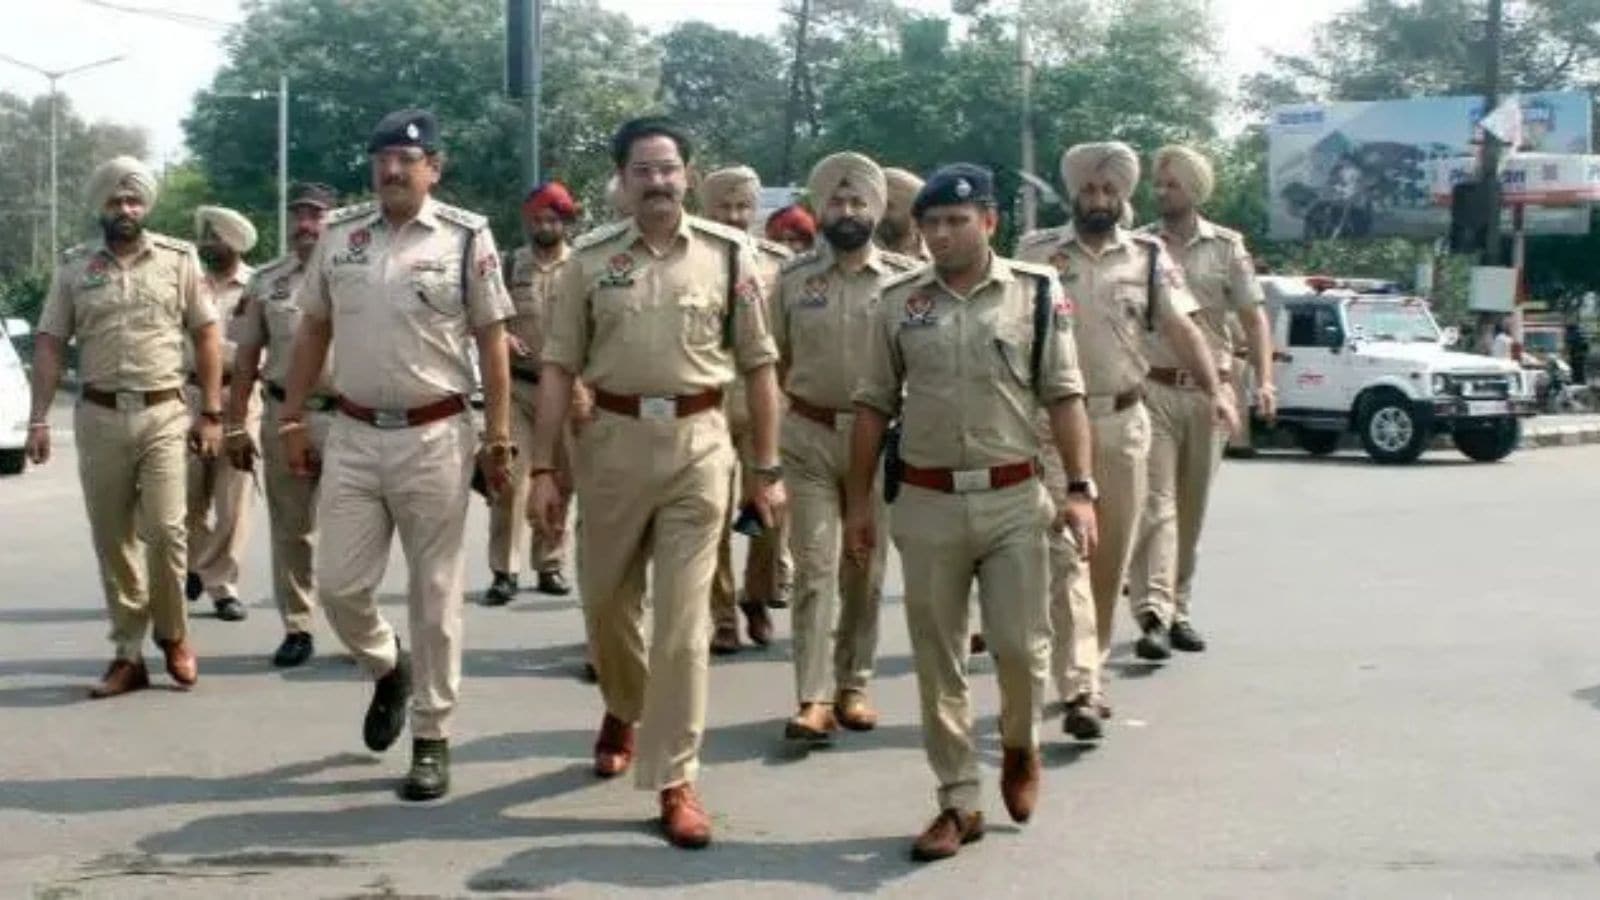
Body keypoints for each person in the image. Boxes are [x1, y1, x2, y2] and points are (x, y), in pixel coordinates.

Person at [527, 116, 787, 849]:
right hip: (611, 444)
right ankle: (623, 702)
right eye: (642, 170)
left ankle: (676, 775)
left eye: (669, 169)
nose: (658, 182)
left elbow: (760, 367)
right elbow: (558, 370)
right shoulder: (588, 262)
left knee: (681, 626)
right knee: (605, 603)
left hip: (699, 445)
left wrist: (766, 469)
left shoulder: (729, 256)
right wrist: (543, 469)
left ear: (688, 175)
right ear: (622, 181)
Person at [846, 163, 1098, 862]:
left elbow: (1065, 395)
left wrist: (1080, 490)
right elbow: (871, 406)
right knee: (939, 659)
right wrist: (857, 504)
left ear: (989, 222)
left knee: (1020, 647)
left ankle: (1019, 744)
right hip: (925, 500)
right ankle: (958, 799)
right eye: (931, 223)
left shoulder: (1036, 293)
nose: (943, 234)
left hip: (1014, 498)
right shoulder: (898, 302)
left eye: (958, 221)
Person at [279, 109, 514, 801]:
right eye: (381, 158)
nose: (391, 170)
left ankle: (432, 736)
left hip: (435, 435)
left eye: (406, 160)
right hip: (353, 434)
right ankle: (388, 666)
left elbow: (492, 338)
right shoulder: (341, 235)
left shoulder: (466, 237)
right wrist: (291, 418)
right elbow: (313, 329)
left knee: (434, 595)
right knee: (337, 586)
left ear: (433, 168)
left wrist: (498, 434)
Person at [1015, 142, 1236, 739]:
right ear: (1074, 194)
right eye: (1089, 190)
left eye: (1109, 190)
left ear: (1123, 197)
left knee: (1110, 560)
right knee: (1068, 553)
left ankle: (1091, 668)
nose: (1098, 199)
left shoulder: (1148, 256)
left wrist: (1217, 388)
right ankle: (1080, 685)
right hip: (1052, 427)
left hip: (1124, 422)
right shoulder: (1035, 254)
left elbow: (1182, 328)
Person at [26, 155, 221, 697]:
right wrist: (39, 419)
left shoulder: (178, 260)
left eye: (134, 201)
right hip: (100, 416)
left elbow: (206, 334)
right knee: (113, 539)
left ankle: (174, 635)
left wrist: (211, 412)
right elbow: (50, 342)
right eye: (116, 201)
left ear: (145, 207)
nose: (126, 209)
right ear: (102, 207)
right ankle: (129, 654)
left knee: (167, 531)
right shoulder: (74, 267)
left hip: (164, 413)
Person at [772, 152, 916, 745]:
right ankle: (813, 697)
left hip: (876, 443)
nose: (848, 211)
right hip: (808, 437)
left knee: (864, 568)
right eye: (837, 201)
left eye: (859, 202)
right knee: (814, 567)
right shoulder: (791, 279)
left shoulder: (905, 280)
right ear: (820, 209)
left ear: (876, 210)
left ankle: (854, 683)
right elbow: (775, 360)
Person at [1126, 145, 1275, 660]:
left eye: (1172, 184)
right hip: (1153, 388)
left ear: (1196, 189)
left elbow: (1253, 318)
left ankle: (1179, 608)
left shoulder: (1227, 248)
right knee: (1156, 503)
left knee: (1191, 508)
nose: (1162, 191)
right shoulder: (1140, 246)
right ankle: (1152, 613)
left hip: (1212, 394)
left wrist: (1266, 382)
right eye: (1159, 183)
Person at [226, 182, 338, 668]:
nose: (305, 225)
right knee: (292, 528)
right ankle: (298, 625)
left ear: (334, 220)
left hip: (349, 417)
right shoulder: (266, 281)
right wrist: (235, 424)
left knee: (356, 526)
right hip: (283, 416)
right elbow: (245, 358)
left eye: (315, 215)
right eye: (298, 215)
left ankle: (359, 624)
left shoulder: (361, 275)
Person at [698, 165, 794, 655]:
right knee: (709, 513)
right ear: (706, 209)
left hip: (764, 402)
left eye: (743, 207)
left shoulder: (781, 264)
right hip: (708, 401)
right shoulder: (691, 260)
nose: (734, 216)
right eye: (725, 207)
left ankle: (757, 595)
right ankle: (721, 615)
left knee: (769, 509)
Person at [482, 182, 581, 606]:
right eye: (537, 219)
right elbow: (487, 315)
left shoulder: (581, 266)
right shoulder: (508, 265)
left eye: (552, 219)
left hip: (568, 391)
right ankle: (504, 570)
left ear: (565, 222)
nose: (544, 226)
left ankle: (550, 562)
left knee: (559, 480)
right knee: (510, 478)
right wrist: (502, 336)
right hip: (519, 388)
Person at [185, 205, 259, 623]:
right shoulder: (187, 283)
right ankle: (198, 563)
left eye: (216, 236)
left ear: (235, 242)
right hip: (188, 397)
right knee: (184, 498)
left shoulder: (257, 286)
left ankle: (221, 586)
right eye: (205, 235)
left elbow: (262, 346)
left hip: (239, 398)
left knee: (233, 504)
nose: (207, 243)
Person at [876, 167, 931, 261]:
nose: (879, 213)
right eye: (876, 204)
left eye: (888, 207)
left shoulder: (941, 253)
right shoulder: (856, 254)